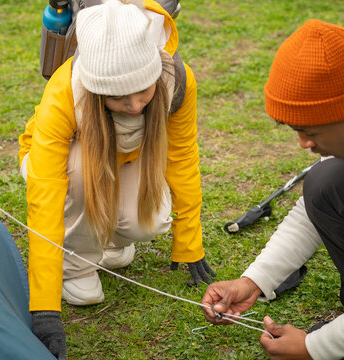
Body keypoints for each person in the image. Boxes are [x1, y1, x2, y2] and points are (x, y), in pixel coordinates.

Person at [18, 0, 215, 358]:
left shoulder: (178, 80)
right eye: (119, 97)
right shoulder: (65, 92)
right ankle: (76, 266)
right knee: (78, 172)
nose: (137, 105)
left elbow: (183, 158)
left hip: (124, 157)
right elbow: (45, 194)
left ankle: (107, 241)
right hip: (70, 167)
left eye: (143, 89)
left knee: (150, 221)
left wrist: (189, 241)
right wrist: (44, 308)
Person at [201, 19, 344, 360]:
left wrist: (313, 348)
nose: (303, 142)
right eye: (296, 129)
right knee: (326, 183)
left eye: (312, 130)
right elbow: (312, 210)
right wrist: (253, 282)